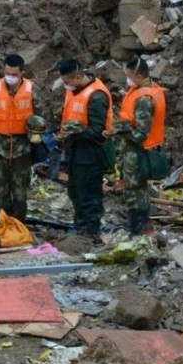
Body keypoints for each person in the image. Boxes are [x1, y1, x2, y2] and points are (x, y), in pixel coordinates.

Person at [0, 53, 44, 221]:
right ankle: (4, 223)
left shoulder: (32, 90)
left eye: (14, 74)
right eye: (7, 73)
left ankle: (19, 225)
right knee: (1, 191)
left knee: (20, 192)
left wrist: (37, 134)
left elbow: (41, 117)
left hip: (22, 148)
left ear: (22, 72)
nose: (10, 77)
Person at [58, 59, 113, 238]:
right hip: (75, 150)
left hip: (91, 153)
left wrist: (75, 132)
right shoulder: (74, 91)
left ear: (79, 76)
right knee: (75, 191)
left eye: (68, 82)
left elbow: (98, 131)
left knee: (89, 195)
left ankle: (91, 232)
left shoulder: (97, 96)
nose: (66, 86)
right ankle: (80, 229)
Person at [116, 56, 167, 235]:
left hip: (138, 151)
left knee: (135, 191)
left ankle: (138, 228)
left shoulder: (145, 99)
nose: (127, 80)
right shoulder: (153, 89)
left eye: (129, 76)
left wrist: (118, 131)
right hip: (141, 149)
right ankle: (138, 225)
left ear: (138, 76)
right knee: (138, 189)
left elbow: (140, 133)